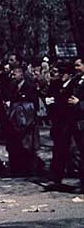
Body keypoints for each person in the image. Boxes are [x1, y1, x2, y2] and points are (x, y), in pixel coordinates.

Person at [46, 58, 84, 191]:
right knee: (76, 152)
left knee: (78, 152)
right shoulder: (76, 81)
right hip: (72, 122)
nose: (76, 68)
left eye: (78, 65)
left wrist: (79, 104)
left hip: (80, 120)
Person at [4, 63, 41, 177]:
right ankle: (18, 168)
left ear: (21, 73)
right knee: (16, 145)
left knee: (28, 145)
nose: (13, 76)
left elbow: (34, 104)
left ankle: (30, 169)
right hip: (15, 121)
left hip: (27, 121)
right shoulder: (13, 86)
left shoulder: (29, 87)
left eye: (15, 74)